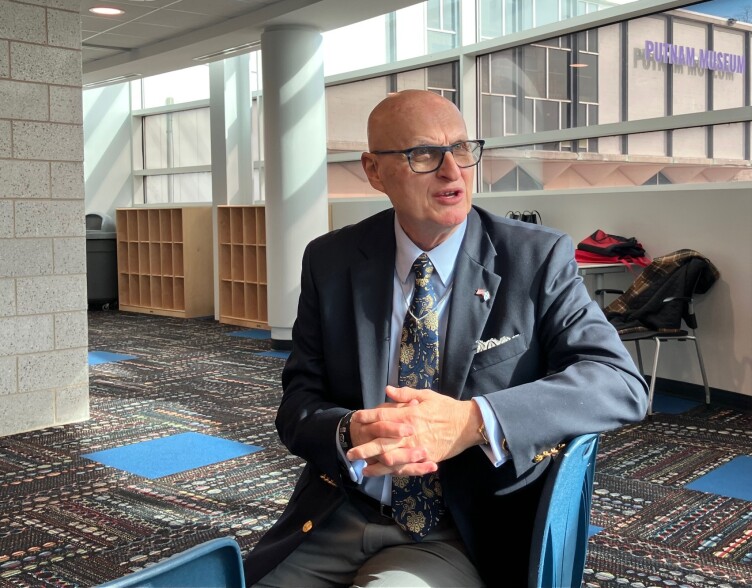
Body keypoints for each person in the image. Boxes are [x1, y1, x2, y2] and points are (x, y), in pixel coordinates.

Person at [243, 89, 648, 587]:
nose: (452, 170)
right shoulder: (331, 261)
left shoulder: (534, 259)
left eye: (461, 148)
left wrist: (474, 420)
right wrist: (351, 431)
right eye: (423, 155)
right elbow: (297, 405)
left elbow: (619, 382)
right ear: (374, 171)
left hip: (457, 531)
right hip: (339, 513)